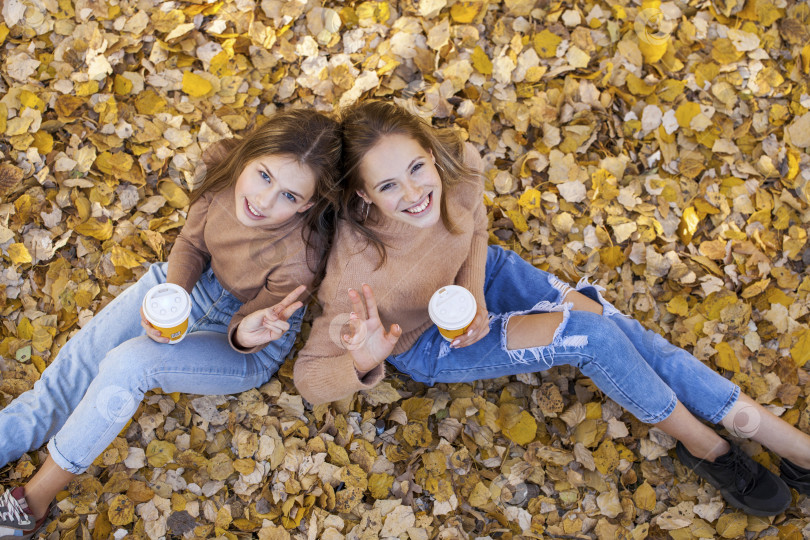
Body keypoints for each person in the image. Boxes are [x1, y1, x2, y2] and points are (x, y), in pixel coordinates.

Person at [293, 100, 810, 516]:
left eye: (416, 168)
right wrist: (363, 359)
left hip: (489, 275)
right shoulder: (356, 271)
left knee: (630, 333)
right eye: (388, 186)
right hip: (431, 339)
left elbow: (472, 223)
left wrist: (473, 291)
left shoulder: (456, 163)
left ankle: (790, 446)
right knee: (595, 337)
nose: (414, 193)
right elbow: (311, 380)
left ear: (430, 151)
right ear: (363, 194)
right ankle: (707, 448)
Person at [0, 109, 342, 540]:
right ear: (249, 157)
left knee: (129, 365)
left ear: (309, 204)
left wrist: (244, 333)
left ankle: (30, 504)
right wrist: (173, 300)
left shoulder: (302, 254)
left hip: (245, 335)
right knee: (71, 372)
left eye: (290, 197)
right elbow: (191, 243)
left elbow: (250, 327)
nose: (265, 201)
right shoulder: (223, 170)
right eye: (264, 176)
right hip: (188, 285)